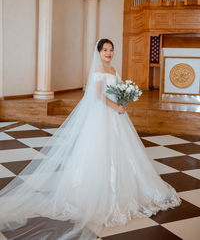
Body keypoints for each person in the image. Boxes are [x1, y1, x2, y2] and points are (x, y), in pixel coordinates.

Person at [0, 39, 181, 240]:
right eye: (105, 50)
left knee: (122, 152)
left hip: (116, 118)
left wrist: (123, 101)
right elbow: (97, 97)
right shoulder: (97, 72)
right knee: (98, 152)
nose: (109, 53)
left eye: (111, 50)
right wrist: (116, 107)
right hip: (102, 118)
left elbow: (116, 92)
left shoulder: (113, 70)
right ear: (99, 52)